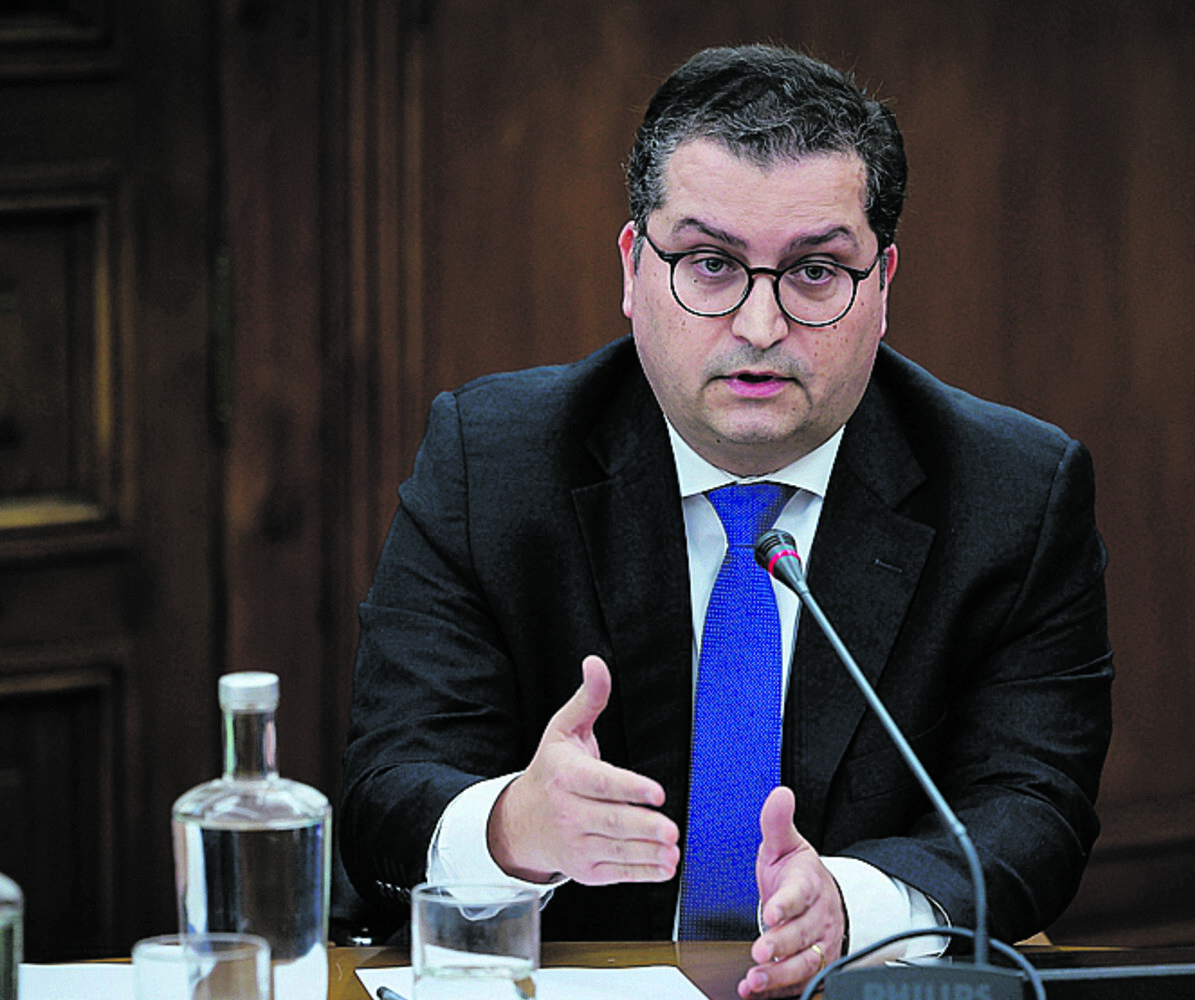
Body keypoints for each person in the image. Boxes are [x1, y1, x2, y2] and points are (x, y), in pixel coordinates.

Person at [341, 44, 1113, 1000]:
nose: (759, 326)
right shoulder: (491, 462)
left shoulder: (1014, 494)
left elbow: (1034, 810)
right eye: (709, 265)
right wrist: (512, 829)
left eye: (816, 271)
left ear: (883, 286)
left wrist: (855, 906)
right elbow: (386, 789)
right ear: (633, 268)